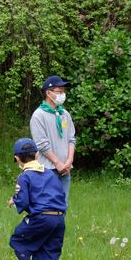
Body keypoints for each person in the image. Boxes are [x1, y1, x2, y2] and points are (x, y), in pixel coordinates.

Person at [8, 138, 67, 260]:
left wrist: (15, 200)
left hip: (41, 218)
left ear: (17, 158)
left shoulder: (24, 177)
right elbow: (60, 195)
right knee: (51, 254)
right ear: (37, 154)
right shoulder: (49, 174)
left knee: (17, 241)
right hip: (59, 218)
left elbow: (24, 200)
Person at [30, 75, 76, 204]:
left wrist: (69, 161)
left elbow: (71, 139)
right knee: (47, 207)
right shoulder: (39, 115)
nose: (62, 94)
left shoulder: (64, 114)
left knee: (62, 205)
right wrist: (57, 163)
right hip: (47, 169)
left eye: (64, 91)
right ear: (48, 93)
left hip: (65, 168)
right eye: (59, 91)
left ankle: (60, 225)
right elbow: (42, 144)